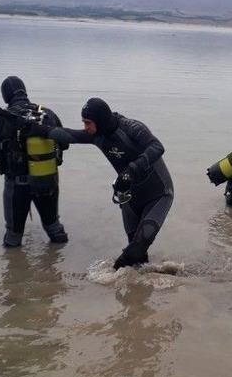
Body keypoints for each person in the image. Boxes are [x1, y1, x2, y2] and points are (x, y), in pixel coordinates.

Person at [34, 98, 173, 270]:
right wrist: (39, 130)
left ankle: (115, 276)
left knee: (135, 250)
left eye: (88, 123)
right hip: (130, 198)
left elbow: (157, 147)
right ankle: (142, 290)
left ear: (100, 120)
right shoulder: (97, 136)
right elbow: (70, 135)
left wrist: (131, 170)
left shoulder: (131, 128)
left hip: (158, 194)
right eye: (84, 123)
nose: (86, 127)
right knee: (137, 261)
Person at [0, 76, 68, 247]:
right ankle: (62, 264)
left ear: (5, 96)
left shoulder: (3, 118)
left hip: (17, 186)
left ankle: (15, 271)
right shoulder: (47, 114)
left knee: (13, 237)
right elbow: (64, 143)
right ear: (24, 91)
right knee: (54, 229)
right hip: (47, 180)